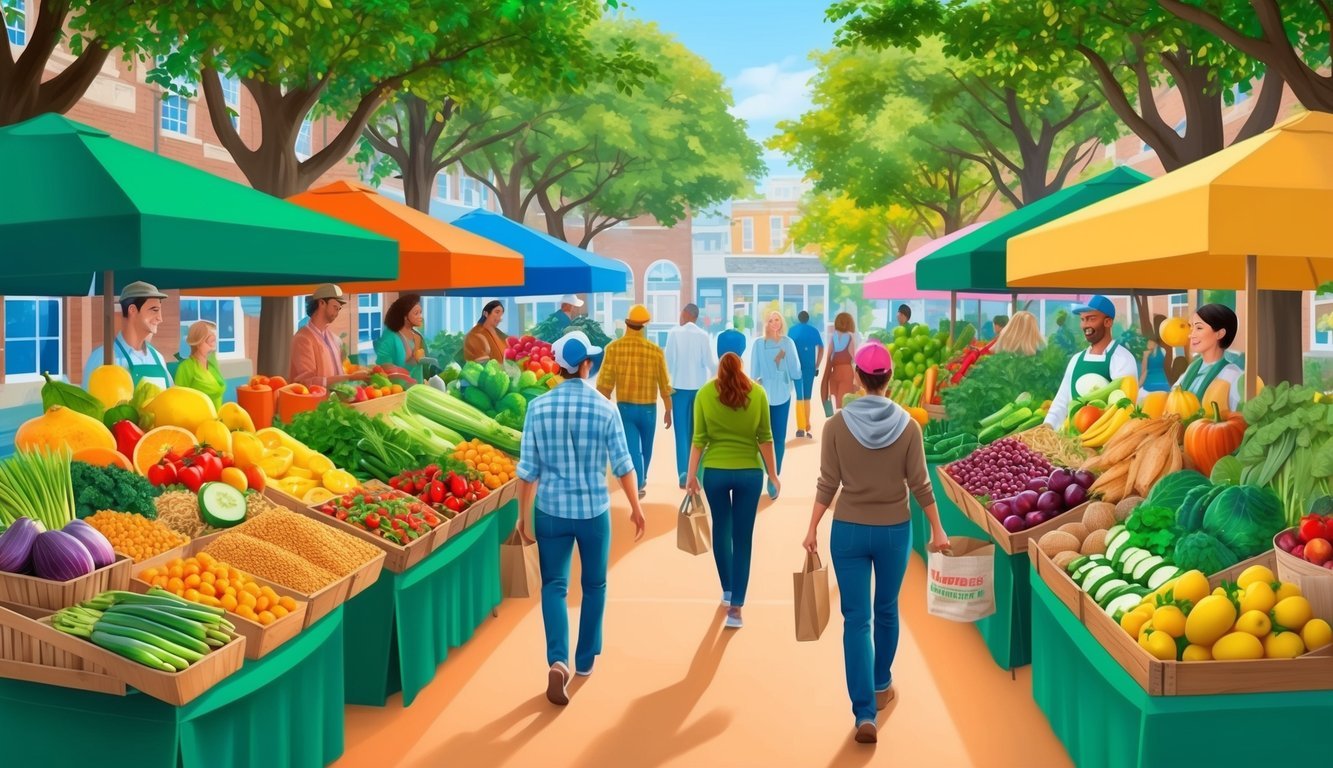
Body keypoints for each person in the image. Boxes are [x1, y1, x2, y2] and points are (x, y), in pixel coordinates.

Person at [802, 341, 950, 745]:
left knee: (856, 619)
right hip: (893, 530)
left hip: (847, 529)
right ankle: (882, 682)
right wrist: (938, 529)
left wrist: (812, 527)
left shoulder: (835, 426)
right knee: (886, 610)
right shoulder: (908, 426)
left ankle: (864, 712)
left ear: (858, 379)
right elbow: (921, 485)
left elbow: (827, 484)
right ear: (889, 378)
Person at [516, 331, 646, 706]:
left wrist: (523, 519)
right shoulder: (606, 408)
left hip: (551, 512)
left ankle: (558, 660)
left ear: (558, 367)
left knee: (554, 586)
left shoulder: (537, 407)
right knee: (594, 585)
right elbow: (624, 465)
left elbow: (527, 472)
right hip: (593, 512)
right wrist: (636, 508)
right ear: (587, 365)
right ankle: (585, 660)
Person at [685, 351, 780, 629]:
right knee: (743, 537)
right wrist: (773, 475)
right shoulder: (758, 393)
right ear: (742, 362)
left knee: (721, 529)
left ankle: (726, 589)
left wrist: (691, 476)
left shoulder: (703, 394)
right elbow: (766, 438)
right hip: (750, 474)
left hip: (715, 472)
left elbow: (698, 439)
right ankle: (736, 607)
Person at [597, 305, 672, 500]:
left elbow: (604, 384)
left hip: (624, 408)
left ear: (627, 323)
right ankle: (641, 480)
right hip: (649, 409)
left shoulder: (613, 349)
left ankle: (638, 480)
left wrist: (602, 407)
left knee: (632, 448)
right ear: (645, 325)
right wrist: (668, 408)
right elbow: (664, 383)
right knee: (646, 447)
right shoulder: (655, 351)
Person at [1042, 295, 1139, 430]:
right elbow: (1062, 398)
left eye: (1091, 319)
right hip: (1070, 438)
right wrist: (1049, 424)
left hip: (1104, 439)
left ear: (1108, 322)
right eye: (1083, 319)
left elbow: (1124, 407)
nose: (1085, 325)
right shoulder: (1076, 359)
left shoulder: (1122, 358)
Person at [748, 311, 802, 500]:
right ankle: (766, 474)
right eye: (770, 320)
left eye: (777, 319)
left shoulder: (788, 343)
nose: (774, 323)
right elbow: (753, 374)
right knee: (763, 437)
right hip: (762, 396)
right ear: (765, 323)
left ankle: (773, 478)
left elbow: (796, 370)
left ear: (782, 322)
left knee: (778, 438)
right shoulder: (758, 344)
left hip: (782, 395)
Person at [83, 281, 174, 389]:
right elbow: (88, 403)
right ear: (133, 310)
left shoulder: (158, 358)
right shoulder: (102, 357)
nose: (160, 318)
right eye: (154, 310)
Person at [665, 304, 718, 489]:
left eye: (681, 312)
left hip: (678, 389)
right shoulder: (703, 336)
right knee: (698, 433)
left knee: (681, 433)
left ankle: (683, 474)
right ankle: (698, 474)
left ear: (686, 314)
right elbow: (711, 364)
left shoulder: (674, 334)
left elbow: (668, 363)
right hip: (699, 390)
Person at [290, 284, 365, 388]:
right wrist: (350, 377)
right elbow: (305, 382)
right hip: (315, 402)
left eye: (339, 309)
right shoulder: (303, 339)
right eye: (335, 307)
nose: (337, 312)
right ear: (321, 303)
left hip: (334, 400)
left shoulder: (333, 338)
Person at [1178, 304, 1243, 412]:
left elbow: (1238, 419)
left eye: (1198, 328)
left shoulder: (1232, 374)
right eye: (1191, 327)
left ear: (1220, 334)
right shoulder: (1193, 367)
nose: (1191, 335)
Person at [788, 310, 825, 439]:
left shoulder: (792, 330)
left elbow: (787, 349)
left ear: (798, 318)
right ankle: (807, 425)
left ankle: (800, 428)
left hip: (796, 367)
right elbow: (821, 348)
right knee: (807, 397)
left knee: (799, 396)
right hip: (810, 367)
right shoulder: (814, 331)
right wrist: (817, 365)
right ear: (808, 319)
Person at [174, 321, 226, 409]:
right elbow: (179, 399)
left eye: (214, 340)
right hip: (197, 420)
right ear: (198, 342)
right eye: (210, 340)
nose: (213, 344)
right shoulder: (186, 367)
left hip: (216, 419)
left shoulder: (212, 366)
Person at [375, 293, 427, 380]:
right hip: (399, 390)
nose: (420, 317)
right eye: (416, 313)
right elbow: (384, 369)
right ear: (405, 316)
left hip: (418, 389)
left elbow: (419, 367)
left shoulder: (418, 336)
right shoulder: (389, 338)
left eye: (420, 313)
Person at [823, 312, 858, 412]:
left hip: (834, 373)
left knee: (836, 405)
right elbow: (854, 358)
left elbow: (829, 357)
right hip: (846, 372)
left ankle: (834, 421)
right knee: (844, 404)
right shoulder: (850, 336)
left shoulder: (833, 337)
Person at [1140, 313, 1171, 393]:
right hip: (1157, 385)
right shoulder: (1166, 347)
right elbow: (1144, 371)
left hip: (1156, 385)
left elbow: (1144, 371)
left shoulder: (1163, 348)